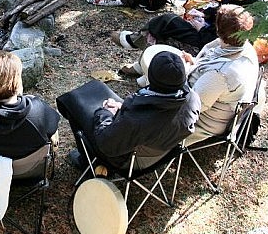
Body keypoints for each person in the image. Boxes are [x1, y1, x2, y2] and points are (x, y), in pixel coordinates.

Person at [57, 51, 200, 171]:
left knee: (71, 100)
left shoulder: (136, 120)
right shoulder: (193, 99)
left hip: (127, 160)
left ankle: (88, 162)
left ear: (151, 77)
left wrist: (106, 113)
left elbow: (106, 144)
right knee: (96, 87)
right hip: (161, 151)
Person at [113, 0, 264, 54]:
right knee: (171, 21)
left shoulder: (249, 17)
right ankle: (142, 39)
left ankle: (135, 41)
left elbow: (225, 42)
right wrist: (204, 14)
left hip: (213, 42)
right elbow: (219, 8)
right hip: (210, 28)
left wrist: (201, 29)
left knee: (168, 20)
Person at [183, 4, 260, 146]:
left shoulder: (220, 74)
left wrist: (184, 70)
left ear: (218, 29)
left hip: (201, 122)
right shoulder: (245, 48)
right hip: (213, 104)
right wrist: (193, 63)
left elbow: (192, 106)